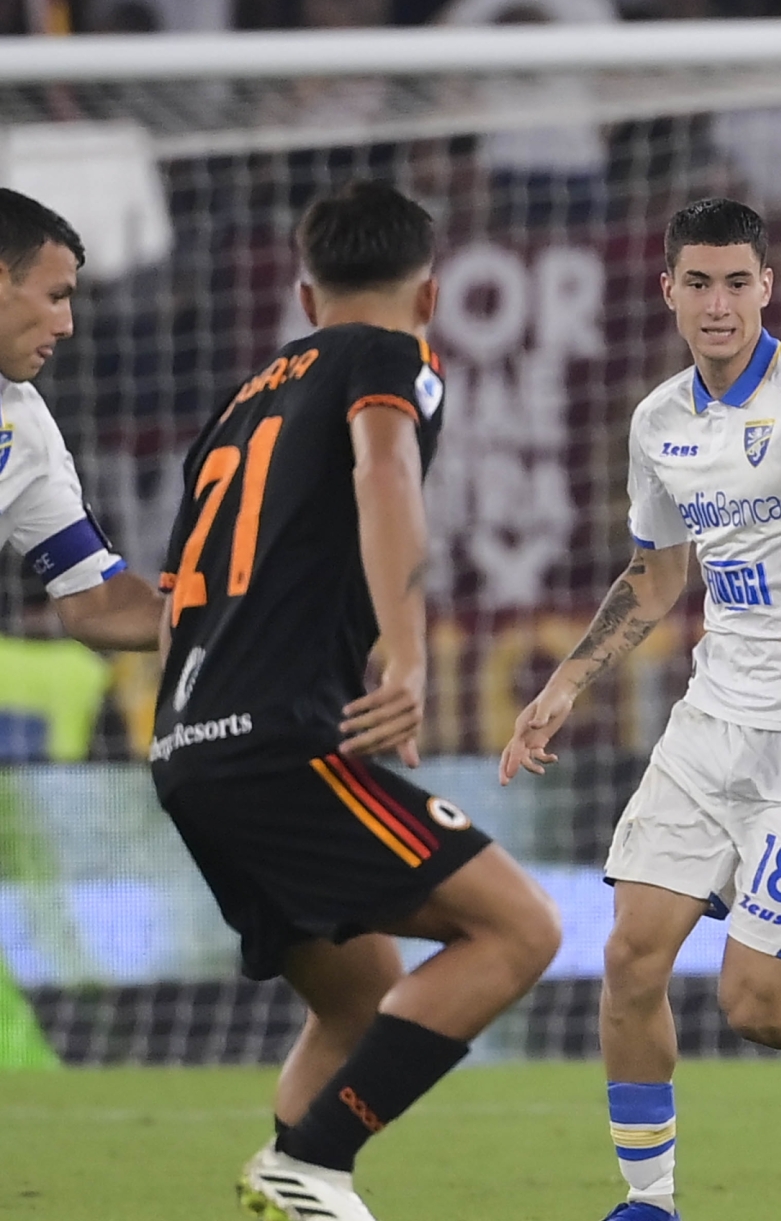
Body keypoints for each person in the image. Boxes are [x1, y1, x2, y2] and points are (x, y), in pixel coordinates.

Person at [497, 197, 781, 1220]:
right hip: (712, 723)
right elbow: (655, 576)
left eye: (737, 282)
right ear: (667, 291)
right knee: (627, 955)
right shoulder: (658, 421)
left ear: (767, 287)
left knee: (758, 1005)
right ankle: (649, 1201)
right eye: (698, 283)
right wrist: (566, 682)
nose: (719, 303)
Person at [152, 180, 563, 1221]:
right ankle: (311, 1161)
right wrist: (410, 659)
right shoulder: (390, 356)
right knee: (518, 932)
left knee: (356, 1005)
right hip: (281, 740)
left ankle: (296, 1174)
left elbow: (177, 604)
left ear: (303, 295)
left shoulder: (237, 407)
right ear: (428, 300)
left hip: (189, 751)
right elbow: (385, 472)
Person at [0, 189, 161, 653]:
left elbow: (98, 600)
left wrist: (237, 622)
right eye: (55, 297)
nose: (67, 325)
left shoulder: (24, 429)